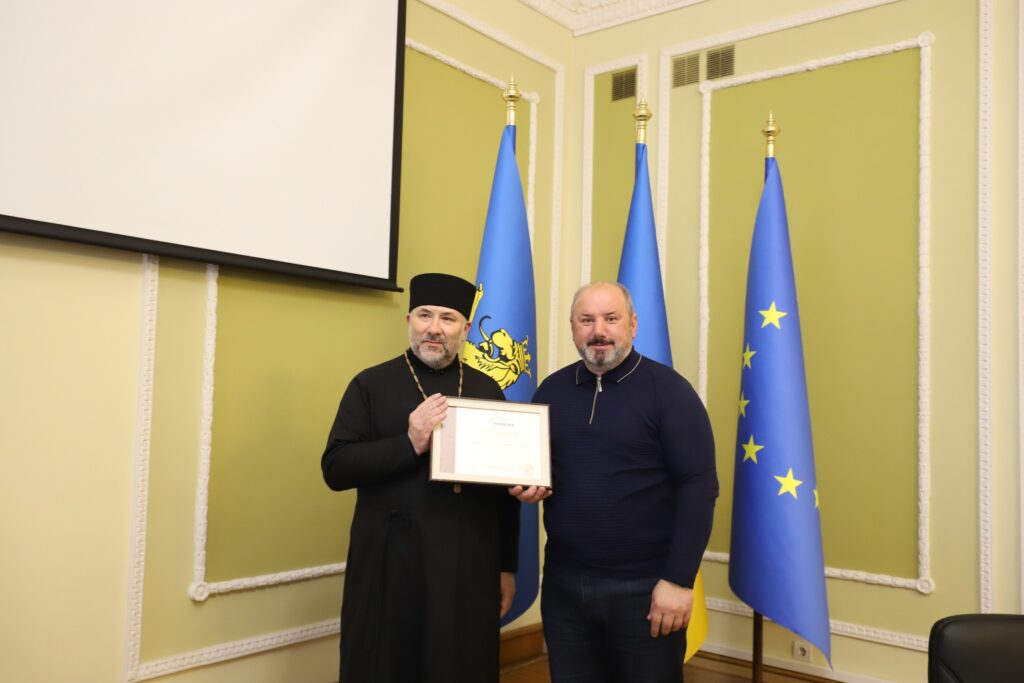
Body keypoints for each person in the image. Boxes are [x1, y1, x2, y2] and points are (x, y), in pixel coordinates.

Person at [512, 281, 718, 683]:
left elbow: (699, 486)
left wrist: (678, 580)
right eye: (586, 320)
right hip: (564, 586)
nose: (599, 331)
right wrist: (527, 485)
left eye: (611, 319)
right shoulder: (551, 390)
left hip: (646, 588)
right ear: (573, 327)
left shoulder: (670, 392)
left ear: (633, 324)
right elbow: (536, 469)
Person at [321, 272, 520, 683]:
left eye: (448, 318)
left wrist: (506, 566)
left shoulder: (487, 389)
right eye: (425, 315)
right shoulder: (370, 385)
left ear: (466, 329)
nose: (434, 328)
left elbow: (504, 493)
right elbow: (336, 468)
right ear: (409, 320)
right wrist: (410, 443)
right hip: (391, 566)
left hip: (469, 564)